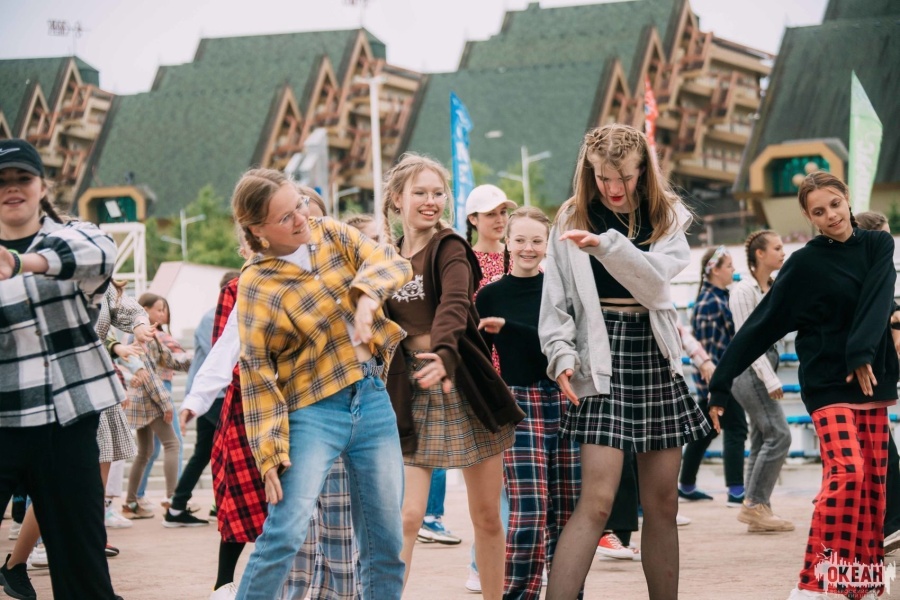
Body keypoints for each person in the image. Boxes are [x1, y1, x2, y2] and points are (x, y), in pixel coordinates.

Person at [539, 124, 709, 600]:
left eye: (625, 177)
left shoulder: (666, 214)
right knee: (596, 502)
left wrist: (607, 246)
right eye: (602, 177)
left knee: (663, 503)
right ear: (588, 171)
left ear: (643, 171)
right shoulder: (572, 214)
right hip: (600, 351)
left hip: (653, 351)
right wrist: (560, 355)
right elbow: (555, 301)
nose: (613, 188)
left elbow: (655, 287)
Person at [708, 172, 897, 600]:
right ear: (809, 217)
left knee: (872, 487)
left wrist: (862, 352)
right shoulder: (805, 264)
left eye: (835, 204)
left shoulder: (877, 244)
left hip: (872, 381)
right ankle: (812, 582)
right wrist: (721, 383)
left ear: (847, 198)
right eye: (819, 211)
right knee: (848, 472)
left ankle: (859, 582)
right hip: (827, 383)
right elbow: (762, 324)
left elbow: (878, 297)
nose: (831, 215)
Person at [232, 169, 410, 599]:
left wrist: (366, 298)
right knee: (285, 533)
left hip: (371, 398)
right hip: (313, 412)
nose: (301, 218)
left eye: (300, 205)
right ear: (257, 230)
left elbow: (391, 261)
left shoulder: (331, 233)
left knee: (386, 541)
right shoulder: (257, 284)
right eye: (286, 217)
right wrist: (269, 454)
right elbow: (257, 371)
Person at [380, 154, 524, 600]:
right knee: (407, 516)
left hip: (462, 384)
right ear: (397, 199)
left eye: (438, 193)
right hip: (410, 389)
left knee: (487, 516)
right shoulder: (386, 257)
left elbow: (455, 302)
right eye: (420, 193)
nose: (431, 201)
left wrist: (444, 352)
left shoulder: (450, 248)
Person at [0, 138, 124, 600]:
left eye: (22, 178)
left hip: (66, 421)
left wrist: (20, 262)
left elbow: (101, 254)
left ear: (41, 186)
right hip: (4, 419)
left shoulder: (76, 236)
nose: (12, 188)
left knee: (82, 569)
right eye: (1, 181)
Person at [476, 206, 580, 599]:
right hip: (519, 404)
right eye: (520, 239)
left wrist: (510, 329)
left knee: (568, 512)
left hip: (568, 400)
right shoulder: (490, 295)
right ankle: (519, 593)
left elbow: (561, 344)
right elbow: (476, 353)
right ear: (507, 242)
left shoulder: (560, 290)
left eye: (537, 240)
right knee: (529, 511)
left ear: (547, 244)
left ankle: (568, 593)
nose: (528, 248)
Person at [728, 230, 794, 532]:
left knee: (761, 438)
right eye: (777, 248)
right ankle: (755, 504)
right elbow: (748, 341)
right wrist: (769, 379)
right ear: (760, 254)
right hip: (751, 369)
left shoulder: (772, 287)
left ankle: (757, 509)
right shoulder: (743, 291)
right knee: (780, 435)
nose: (783, 252)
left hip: (762, 364)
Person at [163, 270, 241, 528]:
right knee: (229, 450)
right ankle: (216, 506)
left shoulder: (217, 315)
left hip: (214, 395)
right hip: (215, 395)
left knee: (203, 453)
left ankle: (178, 507)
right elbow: (222, 357)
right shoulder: (215, 317)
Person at [678, 246, 749, 506]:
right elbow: (709, 350)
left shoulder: (717, 298)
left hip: (719, 380)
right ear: (715, 270)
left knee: (705, 431)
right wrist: (717, 385)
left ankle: (686, 485)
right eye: (729, 266)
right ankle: (736, 491)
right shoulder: (711, 302)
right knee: (736, 428)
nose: (733, 270)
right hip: (719, 381)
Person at [852, 211, 900, 556]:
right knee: (878, 454)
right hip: (859, 377)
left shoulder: (879, 271)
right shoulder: (860, 273)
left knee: (882, 452)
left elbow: (890, 309)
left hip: (877, 377)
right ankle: (886, 524)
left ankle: (886, 523)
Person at [119, 292, 189, 519]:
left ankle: (131, 503)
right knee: (172, 444)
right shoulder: (142, 336)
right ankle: (173, 499)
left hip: (141, 400)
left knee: (145, 452)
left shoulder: (143, 334)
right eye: (158, 309)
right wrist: (166, 404)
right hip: (151, 399)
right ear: (144, 310)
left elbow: (169, 361)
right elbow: (148, 373)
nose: (162, 314)